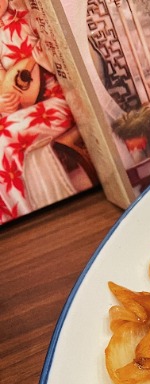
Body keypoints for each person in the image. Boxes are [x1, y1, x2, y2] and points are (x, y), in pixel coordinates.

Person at [0, 0, 76, 224]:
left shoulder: (29, 11)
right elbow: (5, 86)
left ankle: (25, 214)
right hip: (22, 109)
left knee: (4, 138)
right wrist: (3, 102)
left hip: (62, 100)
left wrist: (38, 58)